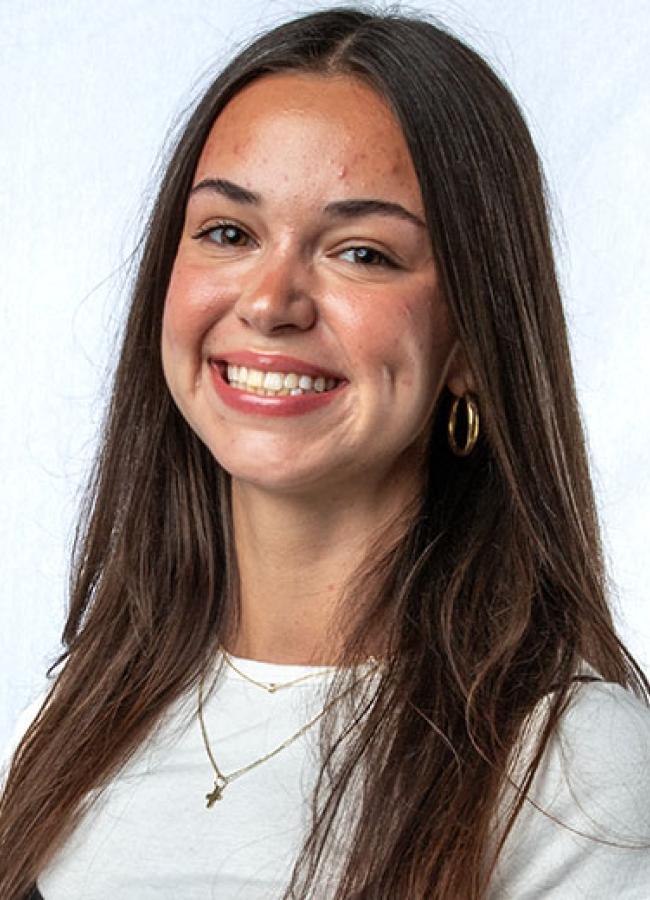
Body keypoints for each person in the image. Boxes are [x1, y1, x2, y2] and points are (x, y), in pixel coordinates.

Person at [1, 7, 649, 899]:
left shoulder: (565, 766)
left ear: (471, 345)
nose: (270, 302)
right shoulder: (68, 722)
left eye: (362, 252)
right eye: (228, 232)